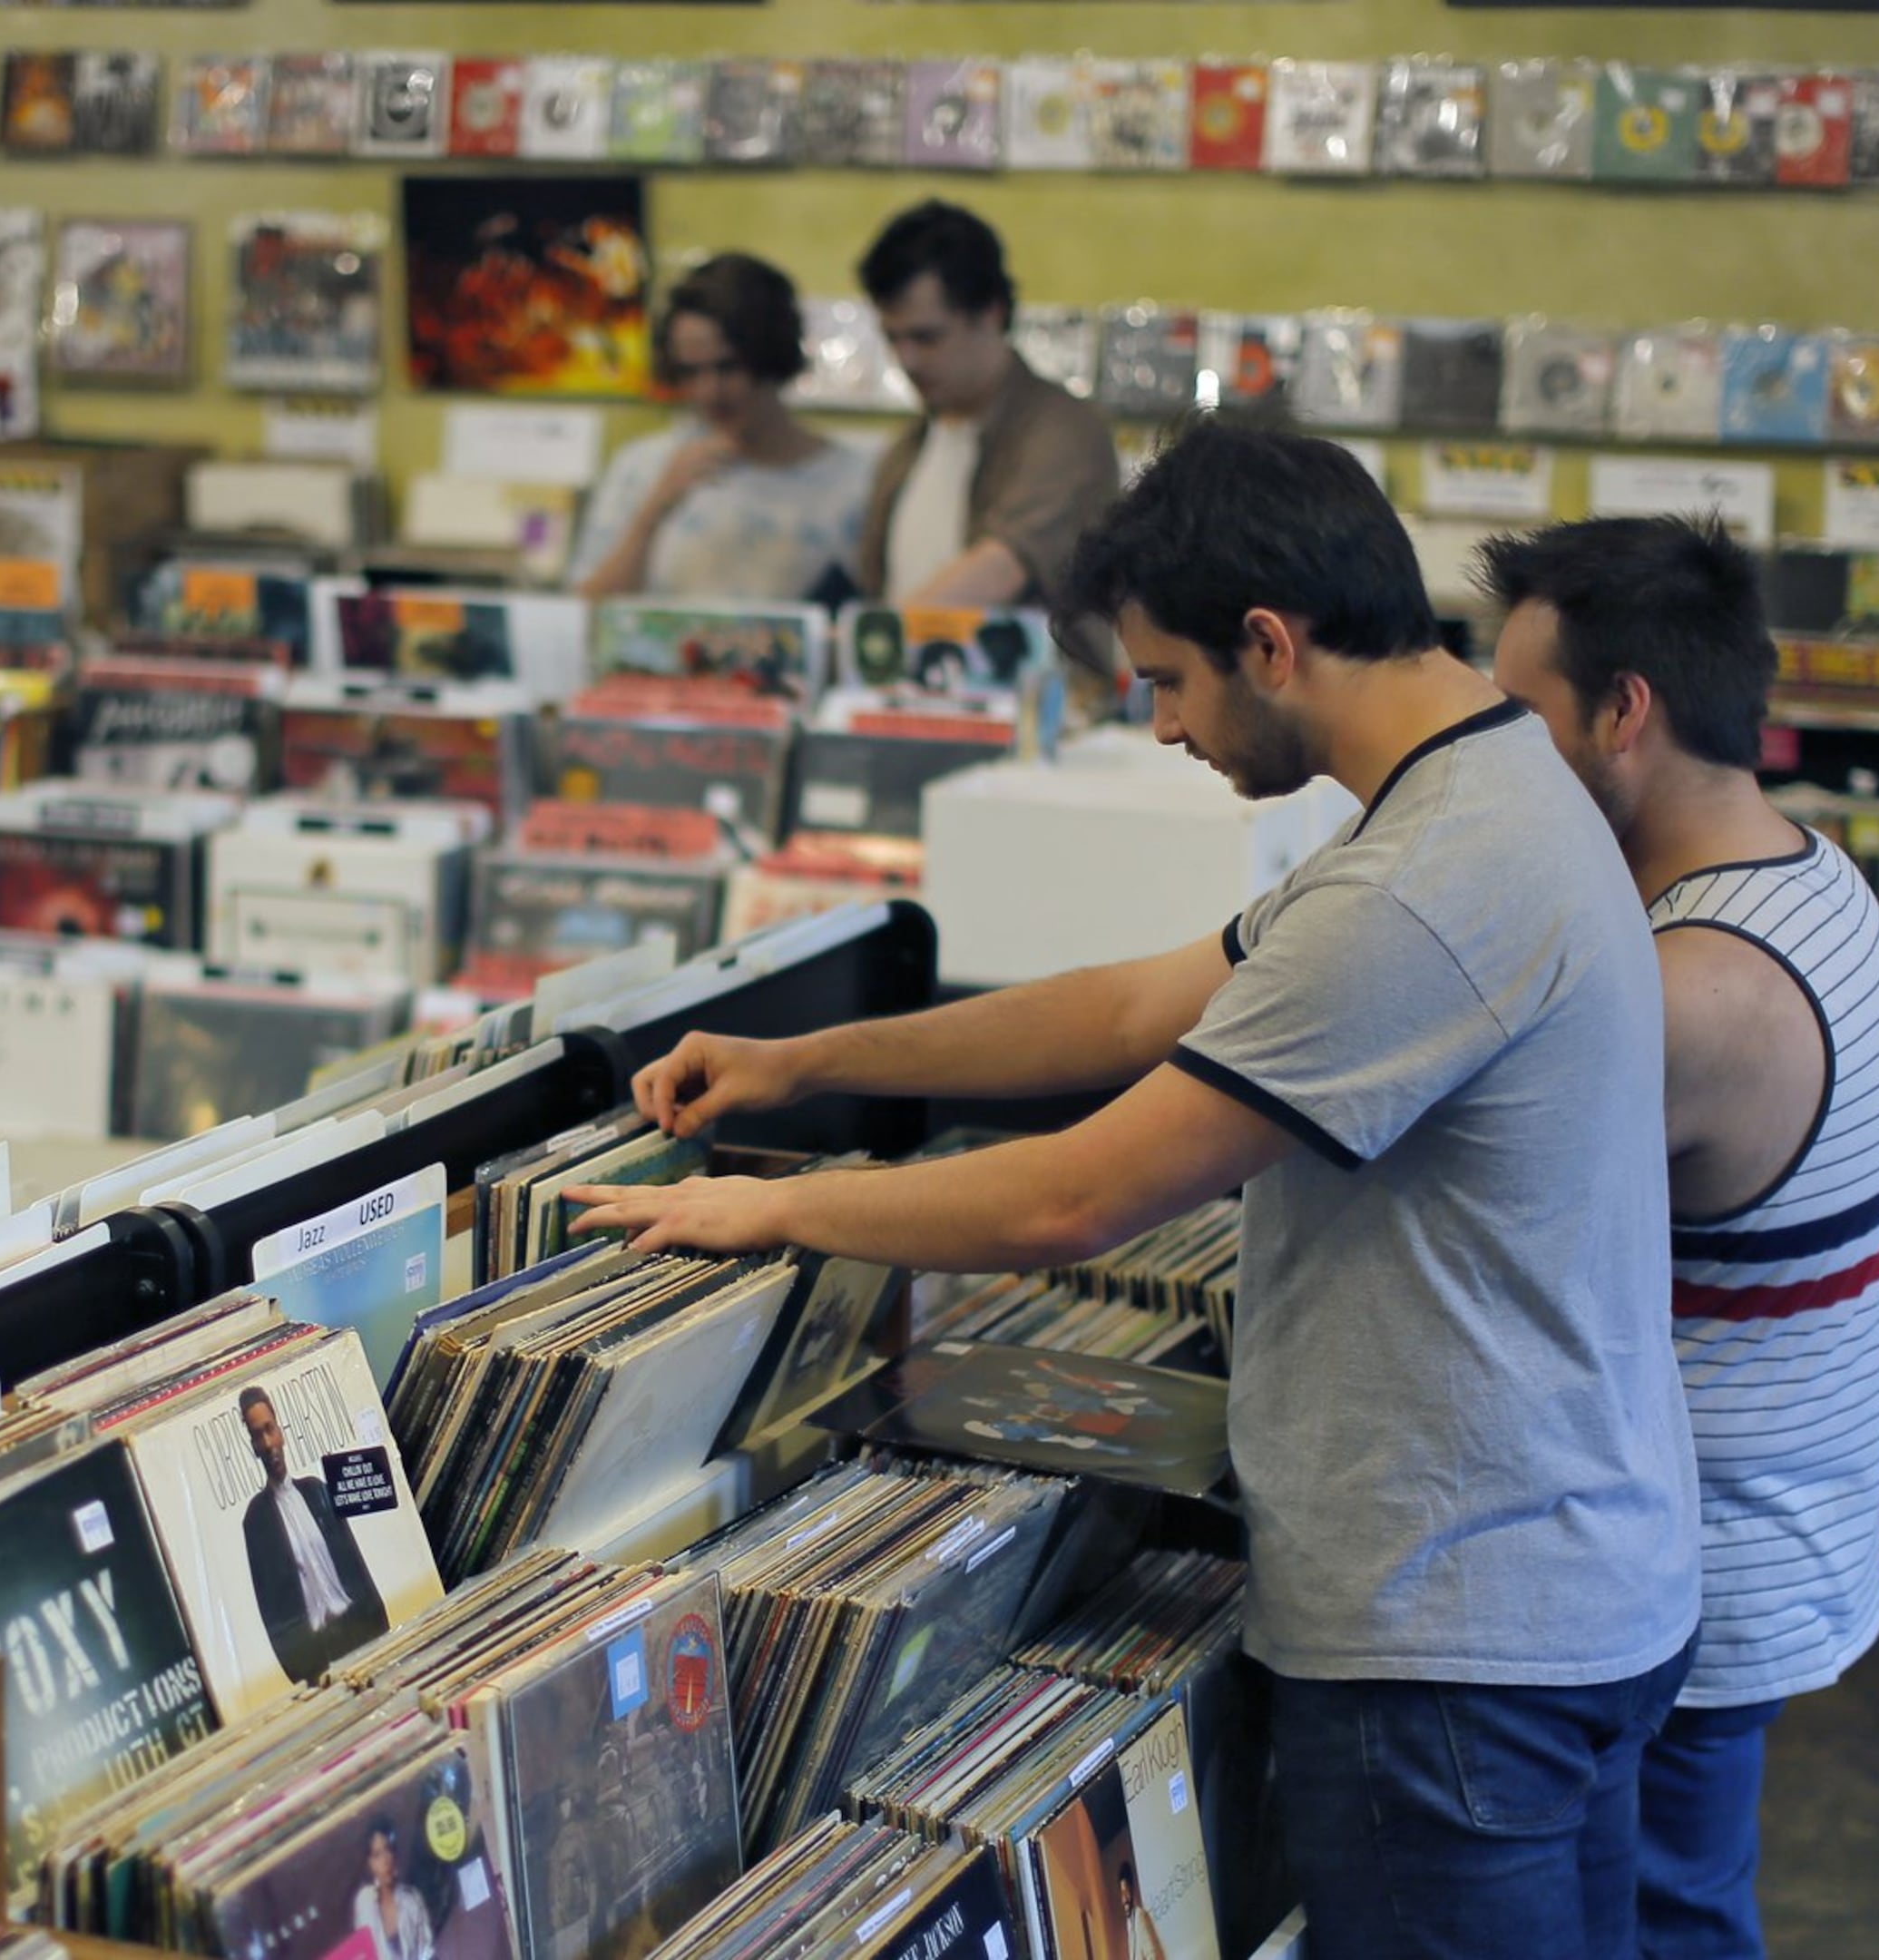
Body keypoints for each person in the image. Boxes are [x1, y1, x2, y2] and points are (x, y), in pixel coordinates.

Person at [571, 417, 1701, 1959]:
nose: (1163, 727)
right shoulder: (1479, 793)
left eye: (1168, 681)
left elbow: (1072, 1205)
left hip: (1458, 1645)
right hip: (1562, 1588)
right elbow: (1125, 1009)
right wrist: (807, 1060)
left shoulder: (1423, 890)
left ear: (1270, 643)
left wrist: (776, 1207)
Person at [1480, 516, 1879, 1960]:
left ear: (1623, 714)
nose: (1492, 752)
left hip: (1697, 1592)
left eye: (1517, 714)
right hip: (1766, 1545)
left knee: (1661, 1929)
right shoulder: (1807, 874)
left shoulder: (1699, 989)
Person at [849, 201, 1118, 610]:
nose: (907, 360)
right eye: (893, 338)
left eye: (926, 337)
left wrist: (877, 639)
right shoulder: (910, 444)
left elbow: (1000, 569)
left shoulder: (1066, 431)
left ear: (991, 314)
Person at [570, 254, 872, 604]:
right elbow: (585, 613)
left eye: (728, 368)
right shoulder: (642, 466)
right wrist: (654, 512)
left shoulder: (855, 482)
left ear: (771, 357)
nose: (708, 392)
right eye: (690, 372)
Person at [235, 1384, 388, 1681]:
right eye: (257, 1436)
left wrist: (382, 1630)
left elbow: (356, 1566)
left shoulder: (317, 1489)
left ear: (281, 1431)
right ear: (253, 1447)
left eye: (270, 1429)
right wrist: (301, 1674)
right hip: (317, 1657)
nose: (267, 1443)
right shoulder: (256, 1521)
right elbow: (272, 1613)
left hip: (360, 1629)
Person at [351, 1818, 437, 1960]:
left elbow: (427, 1952)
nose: (385, 1860)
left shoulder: (412, 1899)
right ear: (370, 1863)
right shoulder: (364, 1902)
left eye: (388, 1849)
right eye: (377, 1855)